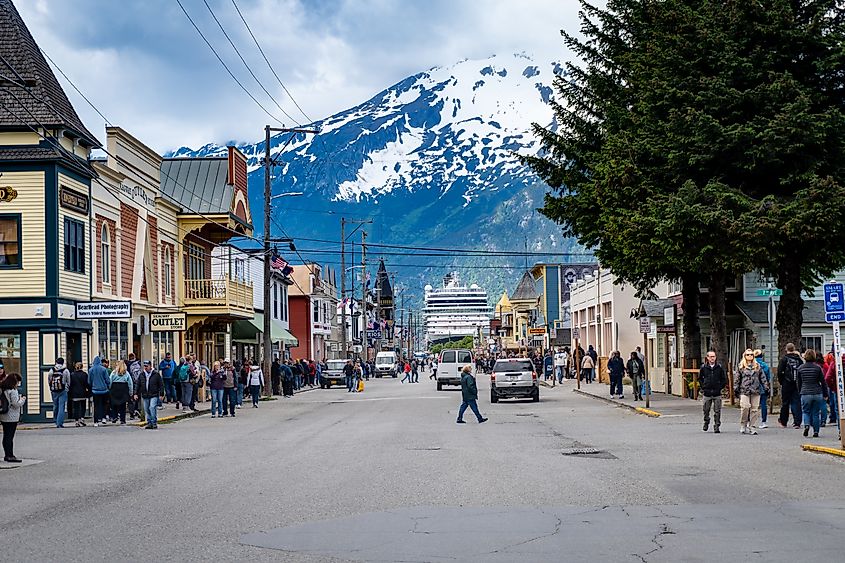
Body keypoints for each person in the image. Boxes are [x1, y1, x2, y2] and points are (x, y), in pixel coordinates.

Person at [735, 348, 768, 435]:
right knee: (745, 407)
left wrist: (765, 386)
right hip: (744, 390)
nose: (750, 356)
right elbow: (737, 379)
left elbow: (763, 377)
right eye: (748, 354)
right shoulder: (741, 366)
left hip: (755, 390)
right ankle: (743, 424)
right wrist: (736, 388)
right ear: (744, 356)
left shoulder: (757, 366)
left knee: (755, 409)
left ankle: (752, 426)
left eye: (751, 354)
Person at [797, 348, 826, 438]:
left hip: (805, 392)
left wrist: (800, 392)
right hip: (817, 392)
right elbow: (823, 382)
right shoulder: (818, 368)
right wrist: (825, 394)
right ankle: (816, 431)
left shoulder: (800, 368)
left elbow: (798, 382)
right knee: (816, 412)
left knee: (806, 411)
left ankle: (806, 425)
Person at [1, 373, 26, 462]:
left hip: (4, 415)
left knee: (5, 435)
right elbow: (16, 404)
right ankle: (10, 455)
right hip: (12, 416)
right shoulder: (13, 391)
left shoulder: (4, 390)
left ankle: (7, 454)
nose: (18, 384)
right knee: (10, 436)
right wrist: (22, 400)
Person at [699, 350, 726, 433]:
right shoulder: (704, 367)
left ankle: (717, 425)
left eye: (713, 356)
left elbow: (723, 379)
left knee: (717, 410)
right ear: (707, 358)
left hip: (717, 392)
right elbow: (700, 378)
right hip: (707, 392)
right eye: (710, 357)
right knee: (706, 409)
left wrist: (720, 387)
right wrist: (703, 387)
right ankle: (706, 421)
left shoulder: (719, 367)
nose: (712, 358)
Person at [777, 343, 803, 428]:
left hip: (786, 383)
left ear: (786, 349)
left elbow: (779, 372)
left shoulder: (784, 359)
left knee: (785, 403)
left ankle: (784, 421)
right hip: (797, 383)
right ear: (794, 348)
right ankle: (797, 422)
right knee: (796, 402)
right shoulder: (799, 359)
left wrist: (782, 382)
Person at [136, 360, 163, 429]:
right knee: (147, 409)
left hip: (154, 394)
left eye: (147, 366)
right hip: (145, 394)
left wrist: (161, 394)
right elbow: (138, 384)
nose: (145, 367)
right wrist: (136, 393)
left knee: (152, 407)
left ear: (150, 366)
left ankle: (154, 422)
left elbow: (161, 384)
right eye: (144, 366)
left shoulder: (156, 374)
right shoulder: (142, 375)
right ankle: (149, 423)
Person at [47, 357, 70, 428]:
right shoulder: (65, 370)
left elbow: (49, 380)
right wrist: (67, 388)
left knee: (55, 405)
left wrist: (51, 388)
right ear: (63, 363)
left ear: (56, 362)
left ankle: (55, 420)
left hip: (54, 390)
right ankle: (59, 423)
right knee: (61, 406)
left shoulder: (52, 370)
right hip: (63, 390)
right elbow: (68, 381)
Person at [88, 357, 111, 427]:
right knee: (104, 404)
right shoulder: (104, 369)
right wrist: (108, 386)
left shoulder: (91, 370)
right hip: (104, 390)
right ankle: (104, 418)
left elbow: (89, 381)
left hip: (95, 391)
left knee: (96, 406)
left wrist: (92, 386)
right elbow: (107, 380)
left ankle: (96, 421)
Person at [108, 360, 133, 425]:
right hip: (123, 389)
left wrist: (110, 388)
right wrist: (131, 392)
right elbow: (130, 383)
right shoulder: (126, 373)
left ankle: (114, 416)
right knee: (123, 405)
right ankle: (122, 419)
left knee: (114, 404)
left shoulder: (113, 372)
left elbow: (110, 381)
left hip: (115, 389)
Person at [754, 350, 772, 429]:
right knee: (763, 404)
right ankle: (763, 421)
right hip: (763, 386)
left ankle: (751, 421)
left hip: (754, 387)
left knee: (753, 405)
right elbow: (768, 377)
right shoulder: (765, 365)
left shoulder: (753, 365)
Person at [68, 362, 89, 427]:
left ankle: (77, 420)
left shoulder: (72, 375)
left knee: (76, 407)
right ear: (82, 367)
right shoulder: (85, 374)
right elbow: (87, 384)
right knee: (83, 406)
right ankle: (82, 418)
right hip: (83, 393)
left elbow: (70, 384)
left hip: (75, 394)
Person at [126, 353, 142, 420]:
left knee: (131, 399)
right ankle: (137, 410)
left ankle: (132, 413)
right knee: (137, 397)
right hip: (136, 383)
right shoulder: (138, 364)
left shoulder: (126, 364)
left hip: (129, 383)